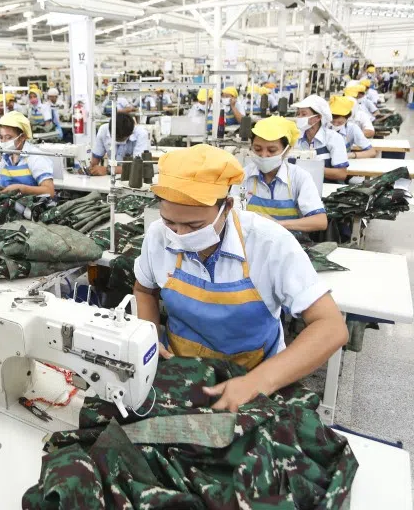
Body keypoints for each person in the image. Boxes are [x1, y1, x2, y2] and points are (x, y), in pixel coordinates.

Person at [132, 144, 347, 411]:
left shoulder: (270, 243)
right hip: (180, 371)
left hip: (255, 377)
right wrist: (148, 337)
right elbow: (144, 290)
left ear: (228, 206)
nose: (179, 235)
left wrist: (259, 381)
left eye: (194, 226)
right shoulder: (156, 236)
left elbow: (331, 327)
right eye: (170, 222)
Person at [241, 116, 327, 233]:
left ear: (287, 150)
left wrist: (276, 224)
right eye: (257, 149)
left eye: (271, 150)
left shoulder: (299, 177)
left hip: (288, 245)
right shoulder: (243, 175)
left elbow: (320, 221)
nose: (263, 155)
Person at [0, 111, 55, 197]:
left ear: (22, 137)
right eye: (1, 137)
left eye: (8, 137)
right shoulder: (4, 157)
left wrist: (22, 189)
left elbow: (50, 191)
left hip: (33, 207)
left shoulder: (35, 156)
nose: (3, 142)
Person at [292, 95, 349, 182]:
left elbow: (341, 174)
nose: (299, 117)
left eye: (303, 114)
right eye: (298, 114)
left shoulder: (333, 138)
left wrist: (307, 168)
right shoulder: (295, 138)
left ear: (318, 117)